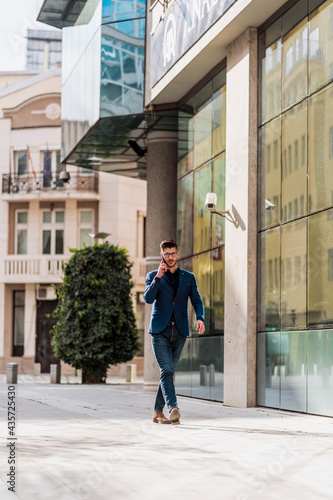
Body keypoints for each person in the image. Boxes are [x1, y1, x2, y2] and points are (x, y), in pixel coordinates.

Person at [144, 239, 205, 425]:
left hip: (179, 330)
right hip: (159, 331)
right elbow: (148, 298)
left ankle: (157, 412)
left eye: (173, 253)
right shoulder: (153, 275)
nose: (170, 257)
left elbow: (197, 300)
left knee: (168, 373)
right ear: (162, 255)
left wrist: (200, 318)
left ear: (177, 254)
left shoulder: (188, 277)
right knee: (167, 370)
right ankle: (173, 407)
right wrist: (158, 278)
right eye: (166, 254)